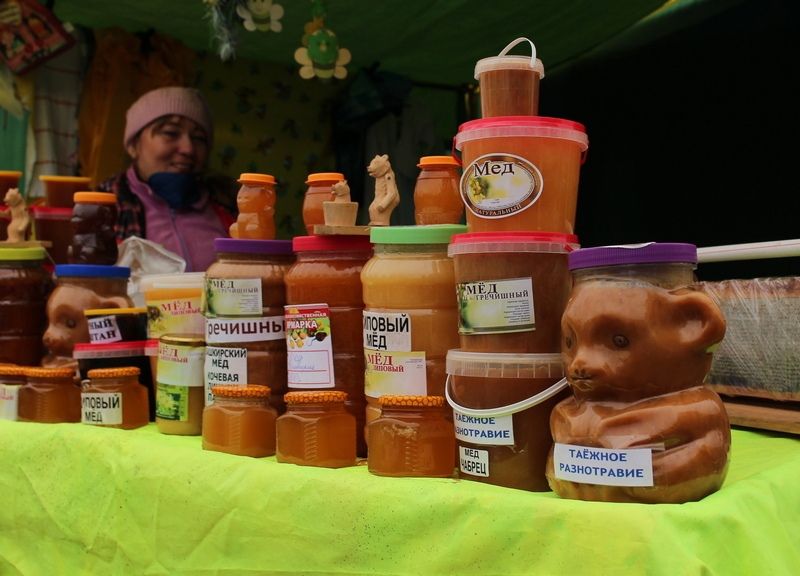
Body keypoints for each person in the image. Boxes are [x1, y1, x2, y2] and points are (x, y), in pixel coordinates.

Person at [98, 86, 236, 271]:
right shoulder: (104, 210)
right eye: (171, 133)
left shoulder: (228, 206)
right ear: (133, 145)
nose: (188, 149)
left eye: (198, 138)